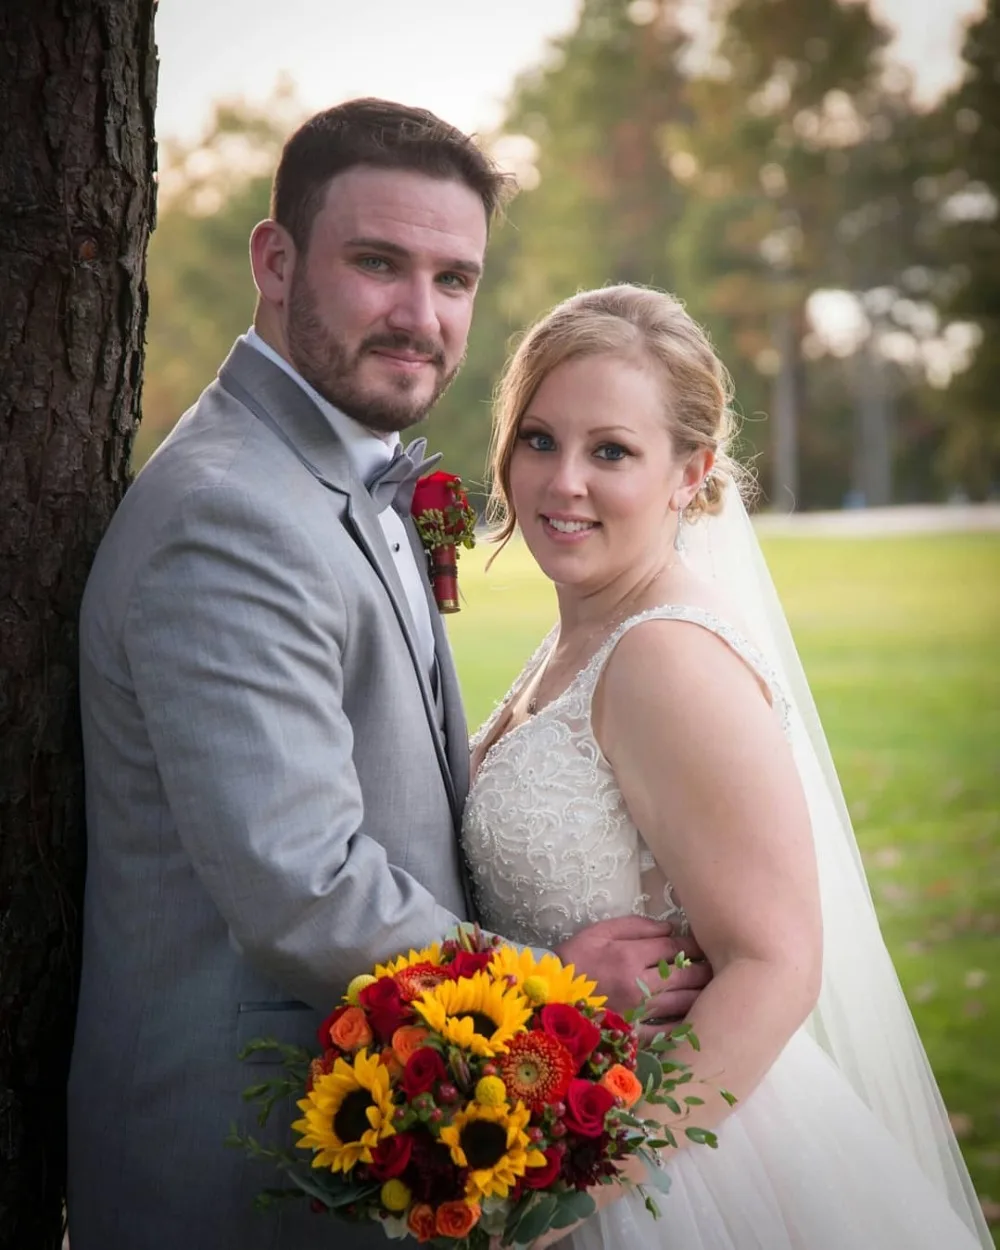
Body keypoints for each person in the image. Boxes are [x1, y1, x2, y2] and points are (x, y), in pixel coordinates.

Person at [66, 104, 706, 1250]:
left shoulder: (335, 476)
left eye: (454, 278)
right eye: (377, 264)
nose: (422, 317)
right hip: (245, 1169)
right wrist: (546, 992)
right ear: (276, 260)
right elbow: (302, 883)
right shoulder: (231, 514)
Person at [464, 283, 993, 1249]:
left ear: (690, 472)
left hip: (668, 1172)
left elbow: (777, 962)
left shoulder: (666, 654)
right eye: (539, 438)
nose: (561, 481)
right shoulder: (581, 634)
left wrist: (570, 1194)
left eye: (610, 451)